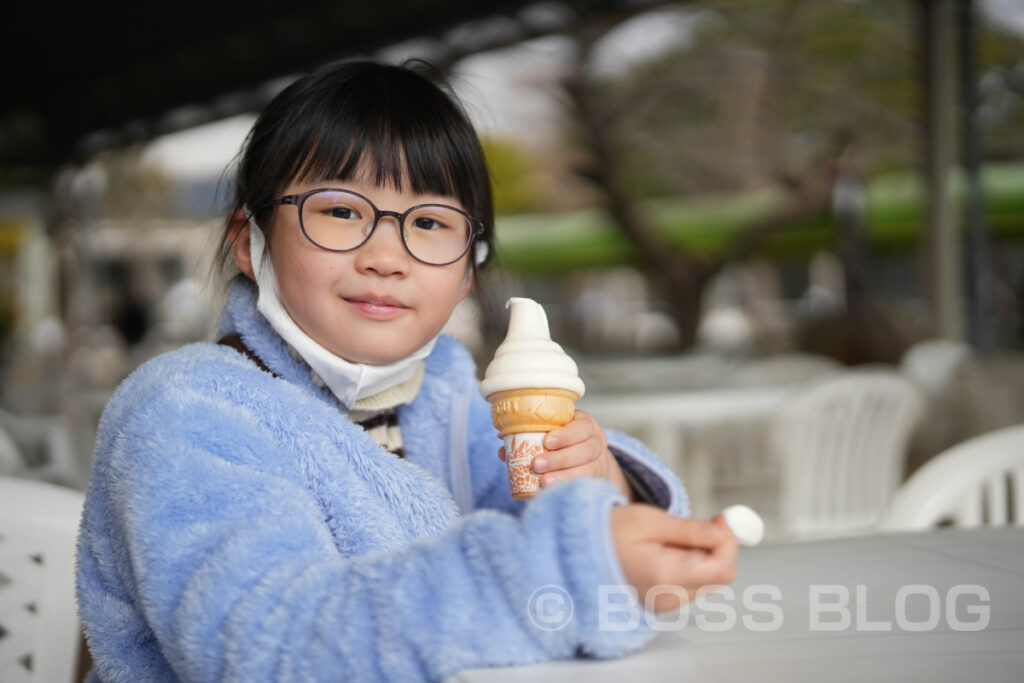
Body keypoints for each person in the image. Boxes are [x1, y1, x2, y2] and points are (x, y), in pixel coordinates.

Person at [75, 58, 738, 682]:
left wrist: (605, 484)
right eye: (340, 210)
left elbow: (531, 515)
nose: (387, 255)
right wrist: (567, 569)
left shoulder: (442, 391)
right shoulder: (185, 412)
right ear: (249, 241)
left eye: (428, 221)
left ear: (466, 272)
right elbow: (265, 643)